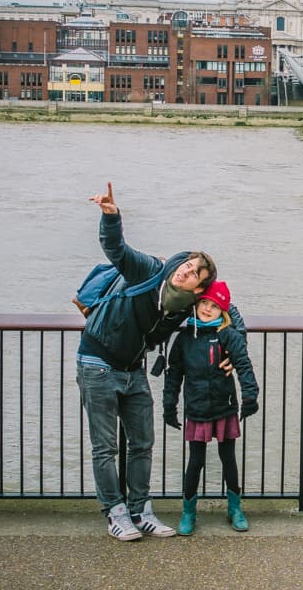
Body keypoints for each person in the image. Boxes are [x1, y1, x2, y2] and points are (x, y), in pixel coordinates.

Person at [76, 181, 218, 542]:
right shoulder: (149, 271)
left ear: (198, 289)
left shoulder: (185, 306)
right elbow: (117, 251)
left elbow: (227, 312)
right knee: (105, 447)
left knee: (142, 442)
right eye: (186, 265)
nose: (184, 272)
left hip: (133, 368)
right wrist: (111, 215)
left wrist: (231, 355)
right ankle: (116, 512)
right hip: (97, 362)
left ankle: (141, 510)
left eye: (193, 274)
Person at [162, 280, 259, 535]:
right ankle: (188, 512)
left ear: (223, 311)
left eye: (214, 306)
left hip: (224, 406)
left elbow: (244, 365)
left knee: (228, 459)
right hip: (196, 408)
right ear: (195, 305)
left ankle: (235, 508)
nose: (207, 309)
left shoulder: (228, 335)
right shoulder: (184, 339)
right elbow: (174, 375)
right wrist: (169, 405)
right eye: (204, 303)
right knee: (195, 461)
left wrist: (250, 396)